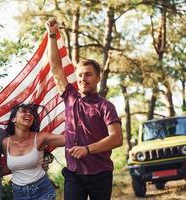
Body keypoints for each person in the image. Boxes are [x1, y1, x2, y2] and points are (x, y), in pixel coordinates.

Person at [45, 18, 123, 200]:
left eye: (88, 75)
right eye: (79, 75)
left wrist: (87, 149)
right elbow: (56, 68)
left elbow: (117, 138)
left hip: (100, 174)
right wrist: (52, 35)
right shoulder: (70, 97)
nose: (82, 79)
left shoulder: (105, 106)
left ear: (97, 78)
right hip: (74, 173)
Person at [2, 103, 65, 200]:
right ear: (13, 119)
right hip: (19, 194)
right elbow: (12, 166)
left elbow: (69, 140)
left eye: (31, 113)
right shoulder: (6, 143)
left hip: (42, 190)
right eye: (24, 111)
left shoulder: (40, 137)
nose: (29, 114)